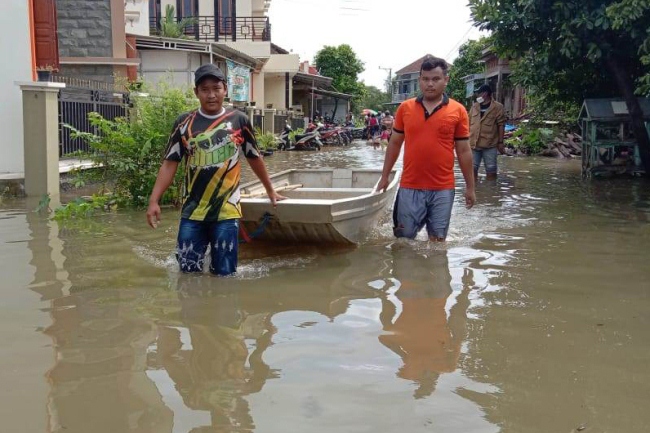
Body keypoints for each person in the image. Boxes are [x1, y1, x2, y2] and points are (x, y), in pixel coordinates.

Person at [146, 64, 285, 276]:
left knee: (225, 275)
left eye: (216, 88)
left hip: (227, 211)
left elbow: (254, 157)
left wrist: (270, 190)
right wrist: (154, 200)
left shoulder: (239, 120)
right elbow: (169, 163)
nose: (211, 95)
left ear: (225, 90)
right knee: (188, 273)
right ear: (196, 92)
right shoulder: (183, 123)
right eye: (205, 89)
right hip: (192, 212)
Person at [376, 56, 476, 242]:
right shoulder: (405, 108)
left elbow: (463, 151)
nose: (430, 84)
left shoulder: (458, 111)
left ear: (446, 80)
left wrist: (470, 187)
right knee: (403, 240)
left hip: (443, 188)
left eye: (435, 79)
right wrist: (384, 176)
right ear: (420, 80)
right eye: (425, 79)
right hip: (409, 186)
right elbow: (395, 144)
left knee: (437, 243)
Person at [469, 83, 506, 180]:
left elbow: (501, 125)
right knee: (471, 171)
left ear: (484, 94)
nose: (477, 95)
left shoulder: (498, 107)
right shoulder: (474, 107)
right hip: (474, 144)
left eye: (478, 93)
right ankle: (475, 190)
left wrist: (500, 142)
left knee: (491, 171)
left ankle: (490, 192)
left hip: (490, 145)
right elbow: (468, 123)